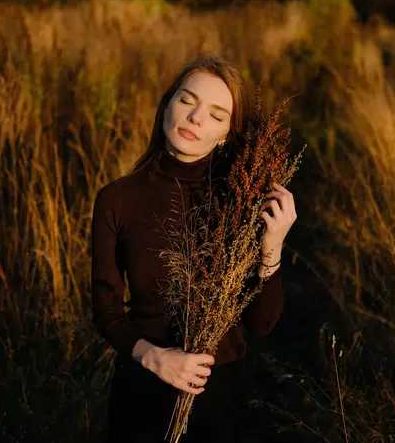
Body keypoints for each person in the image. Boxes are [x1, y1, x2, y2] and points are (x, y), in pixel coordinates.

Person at [90, 55, 297, 442]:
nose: (196, 117)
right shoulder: (117, 199)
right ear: (167, 105)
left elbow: (261, 325)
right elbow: (105, 309)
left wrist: (273, 248)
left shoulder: (241, 201)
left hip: (219, 397)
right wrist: (153, 358)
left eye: (217, 115)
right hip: (143, 390)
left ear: (225, 136)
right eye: (187, 101)